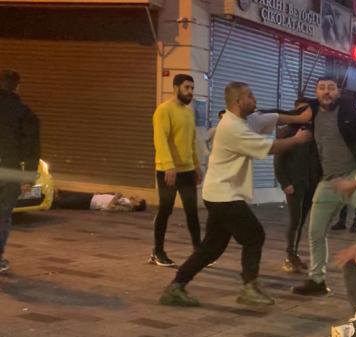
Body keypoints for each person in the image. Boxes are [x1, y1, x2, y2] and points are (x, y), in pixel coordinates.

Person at [159, 81, 312, 307]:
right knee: (255, 236)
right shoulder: (233, 128)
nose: (255, 99)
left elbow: (273, 118)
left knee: (212, 247)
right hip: (224, 195)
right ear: (238, 102)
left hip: (220, 193)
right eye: (250, 96)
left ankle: (176, 286)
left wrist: (299, 118)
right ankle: (249, 287)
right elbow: (270, 148)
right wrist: (297, 140)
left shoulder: (244, 120)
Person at [290, 76, 356, 296]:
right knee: (315, 231)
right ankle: (317, 280)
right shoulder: (311, 113)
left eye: (331, 88)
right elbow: (285, 116)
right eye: (322, 88)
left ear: (338, 92)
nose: (327, 92)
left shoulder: (350, 111)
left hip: (354, 177)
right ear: (316, 92)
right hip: (328, 181)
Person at [149, 74, 202, 267]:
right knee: (165, 210)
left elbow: (191, 141)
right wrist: (169, 165)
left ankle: (199, 251)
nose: (190, 92)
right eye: (187, 87)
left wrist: (196, 165)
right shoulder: (164, 110)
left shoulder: (188, 112)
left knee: (192, 212)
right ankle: (157, 251)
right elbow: (160, 139)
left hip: (187, 170)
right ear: (176, 87)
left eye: (192, 88)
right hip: (167, 170)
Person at [0, 69, 40, 274]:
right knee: (3, 214)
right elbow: (31, 147)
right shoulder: (23, 112)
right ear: (17, 86)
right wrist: (28, 177)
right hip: (10, 171)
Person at [276, 98, 322, 274]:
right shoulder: (287, 132)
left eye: (307, 110)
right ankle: (289, 256)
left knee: (302, 221)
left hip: (311, 184)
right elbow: (278, 160)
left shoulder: (314, 133)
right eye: (301, 111)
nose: (305, 114)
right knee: (295, 221)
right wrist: (284, 183)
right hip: (294, 184)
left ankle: (294, 256)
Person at [53, 191, 146, 212]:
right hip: (92, 197)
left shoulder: (127, 207)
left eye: (138, 199)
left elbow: (109, 208)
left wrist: (116, 197)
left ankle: (47, 202)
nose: (136, 197)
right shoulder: (126, 200)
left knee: (65, 202)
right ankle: (46, 198)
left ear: (137, 204)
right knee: (67, 198)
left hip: (90, 202)